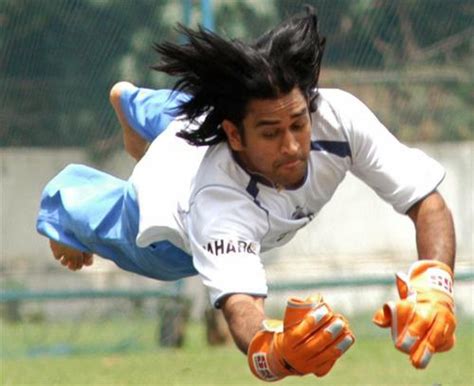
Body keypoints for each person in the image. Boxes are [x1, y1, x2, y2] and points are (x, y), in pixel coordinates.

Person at [37, 7, 456, 381]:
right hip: (170, 219)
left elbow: (427, 202)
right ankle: (65, 207)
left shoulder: (337, 116)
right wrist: (279, 353)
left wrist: (437, 286)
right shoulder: (217, 202)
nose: (292, 146)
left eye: (298, 124)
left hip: (190, 122)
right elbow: (244, 316)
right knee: (109, 224)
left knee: (194, 106)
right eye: (271, 134)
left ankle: (132, 102)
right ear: (234, 135)